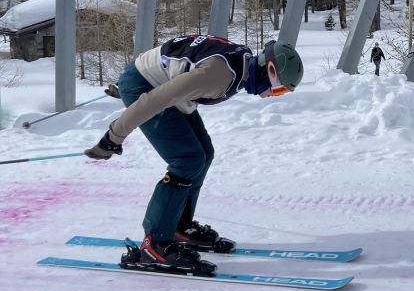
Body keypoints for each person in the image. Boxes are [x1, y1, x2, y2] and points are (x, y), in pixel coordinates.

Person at [84, 35, 303, 275]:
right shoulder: (219, 75)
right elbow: (159, 97)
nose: (274, 95)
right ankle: (155, 245)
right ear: (268, 71)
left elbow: (182, 61)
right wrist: (113, 137)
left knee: (204, 154)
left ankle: (179, 226)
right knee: (186, 160)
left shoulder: (241, 64)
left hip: (154, 84)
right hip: (149, 90)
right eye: (279, 88)